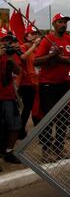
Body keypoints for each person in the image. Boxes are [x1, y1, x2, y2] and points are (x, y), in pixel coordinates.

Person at [35, 13, 70, 162]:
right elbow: (36, 61)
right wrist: (51, 56)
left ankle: (59, 146)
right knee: (48, 117)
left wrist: (60, 59)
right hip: (47, 84)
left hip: (63, 83)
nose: (63, 24)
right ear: (54, 24)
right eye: (60, 22)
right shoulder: (47, 40)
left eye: (65, 22)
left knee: (64, 116)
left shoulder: (69, 40)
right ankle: (46, 149)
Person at [0, 30, 22, 165]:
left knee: (15, 126)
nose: (6, 43)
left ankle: (8, 151)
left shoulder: (8, 56)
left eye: (7, 40)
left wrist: (10, 60)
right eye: (3, 41)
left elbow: (18, 71)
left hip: (8, 97)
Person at [17, 26, 41, 139]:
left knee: (33, 107)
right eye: (32, 33)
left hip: (35, 82)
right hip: (25, 83)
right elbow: (22, 58)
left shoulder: (35, 49)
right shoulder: (23, 47)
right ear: (26, 36)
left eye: (35, 33)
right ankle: (21, 130)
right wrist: (34, 46)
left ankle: (32, 129)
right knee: (28, 107)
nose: (35, 35)